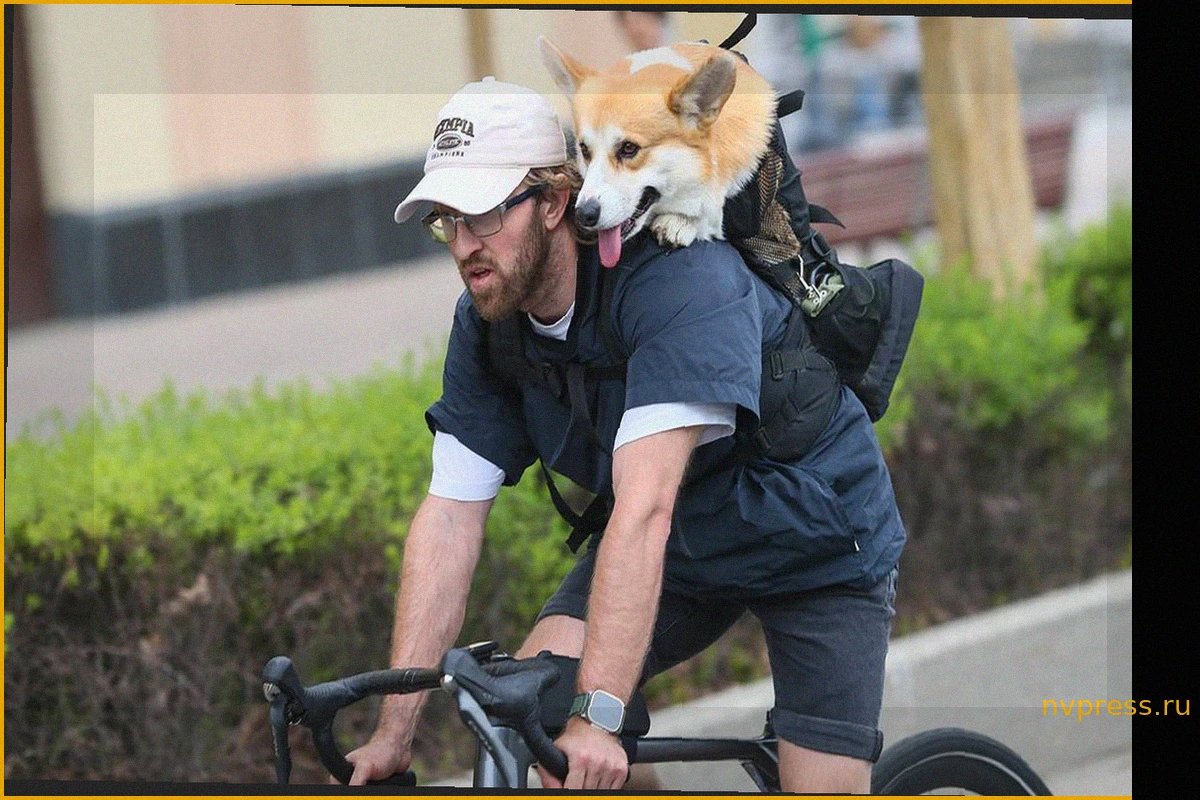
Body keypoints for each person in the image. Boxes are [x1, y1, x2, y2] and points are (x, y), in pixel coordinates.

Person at [344, 77, 905, 793]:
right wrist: (395, 733)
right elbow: (450, 518)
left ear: (552, 202)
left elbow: (642, 509)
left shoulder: (677, 283)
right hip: (683, 545)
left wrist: (601, 717)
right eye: (445, 221)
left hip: (814, 542)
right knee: (539, 728)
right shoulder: (489, 325)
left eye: (482, 214)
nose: (464, 245)